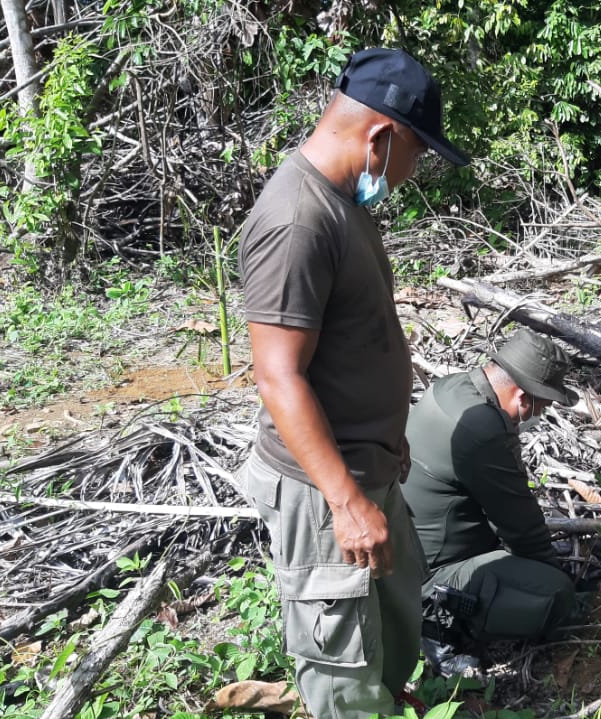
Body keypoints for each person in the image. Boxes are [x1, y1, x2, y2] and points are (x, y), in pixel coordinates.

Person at [235, 47, 469, 719]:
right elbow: (279, 377)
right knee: (342, 666)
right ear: (381, 136)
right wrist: (343, 499)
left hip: (367, 469)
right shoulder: (296, 220)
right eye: (416, 153)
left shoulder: (343, 204)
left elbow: (351, 340)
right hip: (322, 490)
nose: (415, 170)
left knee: (393, 627)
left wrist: (386, 440)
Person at [401, 329, 581, 673]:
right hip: (430, 576)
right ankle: (436, 624)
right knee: (555, 594)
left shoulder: (452, 387)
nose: (540, 414)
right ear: (522, 398)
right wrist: (551, 575)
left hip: (408, 549)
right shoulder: (484, 428)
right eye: (543, 405)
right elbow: (522, 527)